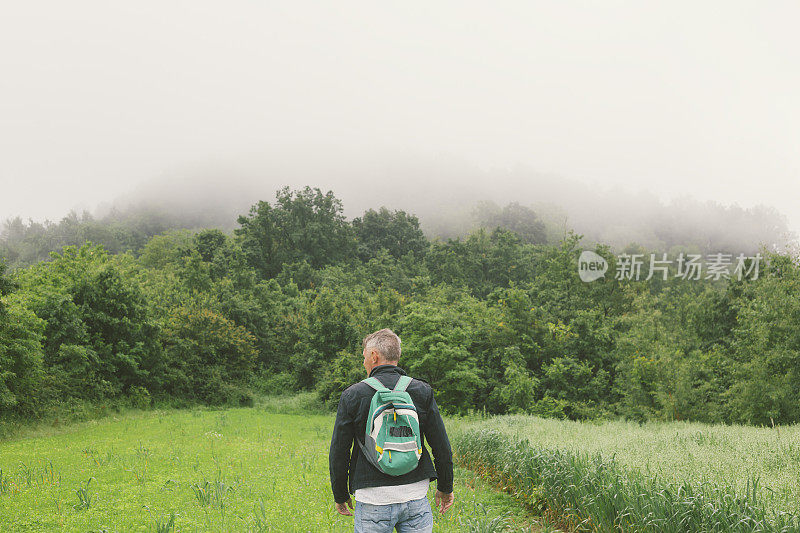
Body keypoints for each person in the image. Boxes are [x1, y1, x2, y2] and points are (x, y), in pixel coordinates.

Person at [329, 328, 455, 532]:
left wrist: (340, 494)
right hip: (415, 496)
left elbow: (339, 452)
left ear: (374, 356)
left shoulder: (353, 395)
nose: (364, 363)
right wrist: (445, 487)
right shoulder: (422, 390)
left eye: (364, 357)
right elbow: (441, 446)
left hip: (372, 499)